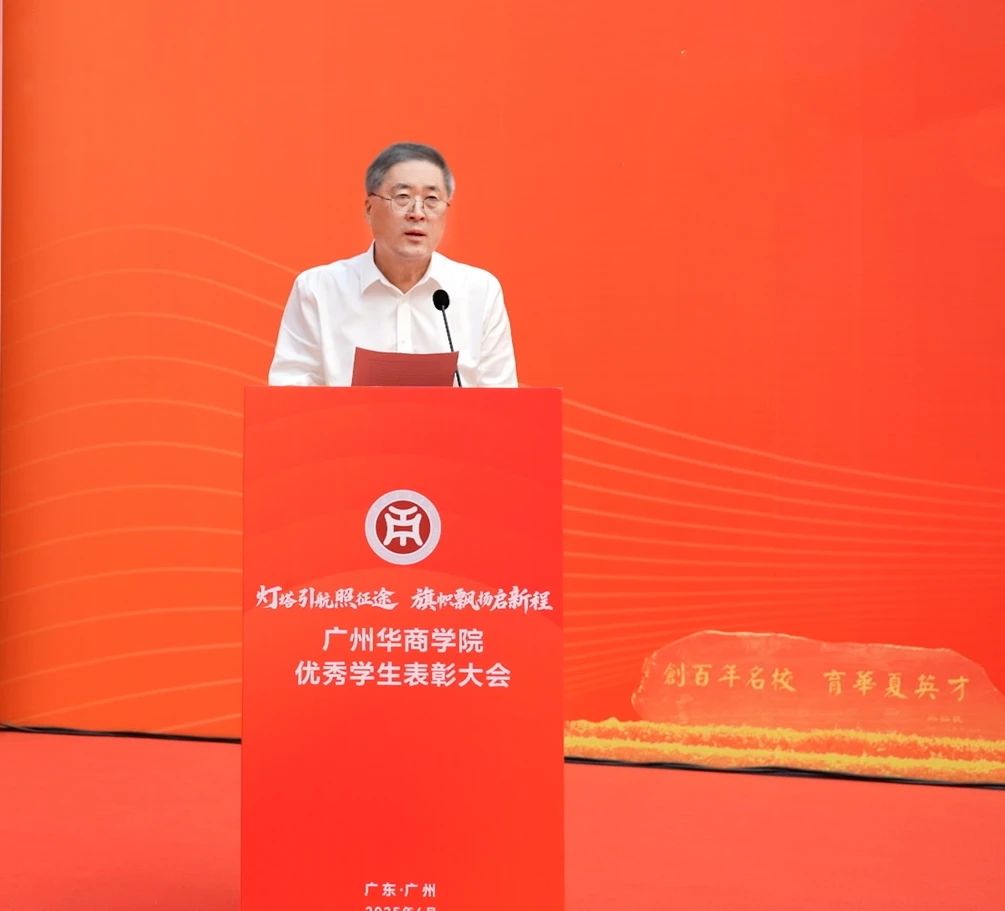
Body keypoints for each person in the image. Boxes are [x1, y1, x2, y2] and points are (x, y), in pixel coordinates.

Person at [268, 142, 517, 387]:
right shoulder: (318, 290)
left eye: (432, 199)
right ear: (369, 209)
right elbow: (289, 395)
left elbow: (502, 401)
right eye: (402, 197)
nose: (417, 213)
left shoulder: (480, 291)